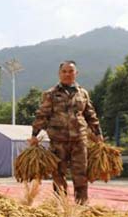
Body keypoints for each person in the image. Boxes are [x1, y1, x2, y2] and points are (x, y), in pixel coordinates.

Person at [29, 60, 103, 205]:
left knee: (81, 174)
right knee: (58, 174)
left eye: (70, 71)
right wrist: (34, 135)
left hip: (79, 140)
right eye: (64, 71)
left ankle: (81, 205)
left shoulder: (83, 93)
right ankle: (61, 205)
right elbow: (42, 115)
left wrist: (98, 133)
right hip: (58, 141)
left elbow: (90, 115)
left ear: (76, 73)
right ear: (59, 74)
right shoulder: (50, 94)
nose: (67, 74)